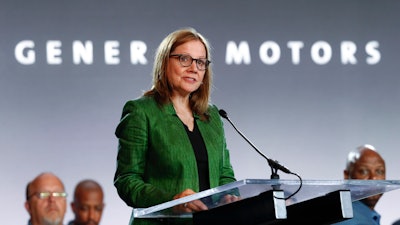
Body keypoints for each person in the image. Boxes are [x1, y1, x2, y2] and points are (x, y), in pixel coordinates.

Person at [113, 27, 237, 225]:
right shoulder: (141, 111)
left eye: (200, 62)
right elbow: (127, 180)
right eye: (184, 59)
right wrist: (171, 201)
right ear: (164, 61)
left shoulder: (212, 115)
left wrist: (229, 196)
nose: (194, 68)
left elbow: (224, 174)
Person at [332, 144, 386, 225]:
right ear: (347, 176)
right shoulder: (342, 219)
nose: (373, 178)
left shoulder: (370, 217)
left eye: (379, 171)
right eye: (364, 171)